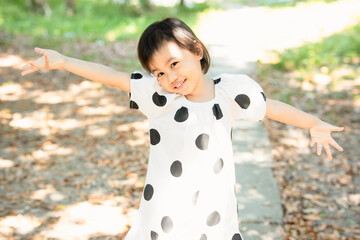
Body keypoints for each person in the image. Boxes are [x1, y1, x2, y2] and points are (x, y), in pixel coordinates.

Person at [21, 17, 344, 240]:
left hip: (214, 214)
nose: (169, 77)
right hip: (164, 213)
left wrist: (312, 123)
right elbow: (112, 76)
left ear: (197, 51)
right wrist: (65, 62)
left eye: (174, 64)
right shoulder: (160, 98)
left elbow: (270, 107)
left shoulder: (230, 92)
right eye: (158, 72)